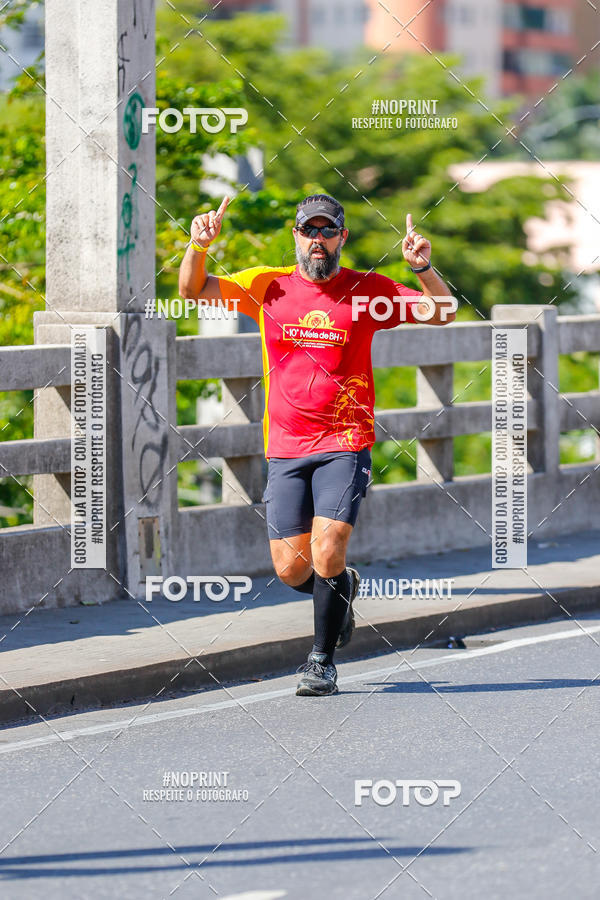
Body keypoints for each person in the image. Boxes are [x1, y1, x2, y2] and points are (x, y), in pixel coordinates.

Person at [179, 193, 456, 696]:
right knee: (291, 569)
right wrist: (198, 246)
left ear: (342, 237)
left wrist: (422, 267)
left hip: (344, 441)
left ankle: (320, 662)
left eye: (328, 231)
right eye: (310, 230)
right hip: (285, 446)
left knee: (328, 548)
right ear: (297, 236)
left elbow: (443, 313)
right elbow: (192, 289)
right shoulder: (267, 286)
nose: (318, 240)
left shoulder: (368, 291)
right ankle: (342, 588)